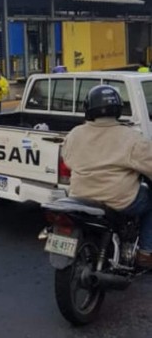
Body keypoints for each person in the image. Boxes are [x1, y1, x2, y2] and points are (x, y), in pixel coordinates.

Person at [62, 85, 152, 269]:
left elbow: (68, 159)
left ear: (88, 108)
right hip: (119, 201)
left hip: (79, 196)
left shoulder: (75, 133)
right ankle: (145, 252)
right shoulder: (131, 137)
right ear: (118, 109)